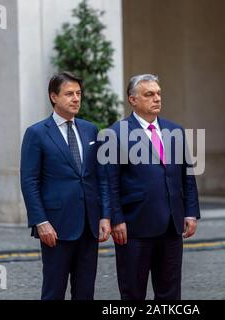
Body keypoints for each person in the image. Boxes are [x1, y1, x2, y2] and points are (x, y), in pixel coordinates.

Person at [107, 74, 200, 300]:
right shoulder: (116, 133)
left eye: (158, 93)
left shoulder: (174, 130)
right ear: (133, 100)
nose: (156, 98)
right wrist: (116, 219)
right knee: (133, 293)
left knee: (170, 293)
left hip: (171, 225)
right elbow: (110, 183)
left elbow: (187, 175)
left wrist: (190, 212)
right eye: (149, 94)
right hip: (134, 227)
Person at [20, 71, 111, 300]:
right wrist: (41, 222)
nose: (76, 99)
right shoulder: (37, 133)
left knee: (85, 292)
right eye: (69, 94)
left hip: (89, 226)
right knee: (53, 292)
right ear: (54, 97)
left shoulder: (90, 130)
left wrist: (104, 216)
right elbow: (29, 181)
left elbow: (100, 177)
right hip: (56, 227)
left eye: (78, 93)